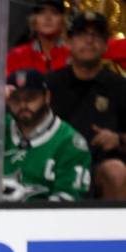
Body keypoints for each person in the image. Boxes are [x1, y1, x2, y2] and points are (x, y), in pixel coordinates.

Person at [0, 68, 92, 201]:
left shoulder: (70, 142)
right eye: (15, 98)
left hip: (39, 230)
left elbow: (68, 202)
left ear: (47, 97)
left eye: (31, 98)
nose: (23, 105)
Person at [47, 11, 126, 200]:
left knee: (115, 171)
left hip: (99, 167)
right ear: (68, 41)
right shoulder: (50, 84)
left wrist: (119, 140)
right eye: (82, 34)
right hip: (54, 163)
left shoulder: (120, 87)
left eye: (97, 35)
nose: (90, 41)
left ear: (106, 44)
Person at [6, 0, 70, 76]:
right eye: (42, 13)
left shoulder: (72, 55)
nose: (48, 18)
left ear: (62, 22)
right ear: (34, 22)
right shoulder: (17, 55)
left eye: (54, 13)